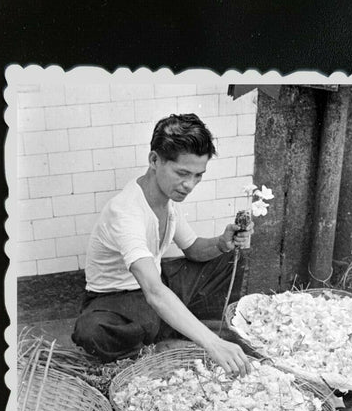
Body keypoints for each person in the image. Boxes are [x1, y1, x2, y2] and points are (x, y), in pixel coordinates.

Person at [72, 113, 253, 377]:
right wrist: (212, 343)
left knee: (229, 258)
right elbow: (154, 291)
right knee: (92, 331)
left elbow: (193, 248)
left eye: (198, 175)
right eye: (182, 173)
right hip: (117, 298)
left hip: (159, 282)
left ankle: (180, 327)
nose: (189, 185)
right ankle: (188, 334)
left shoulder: (168, 200)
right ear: (154, 160)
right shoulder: (125, 211)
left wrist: (223, 243)